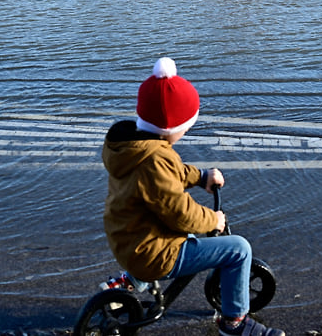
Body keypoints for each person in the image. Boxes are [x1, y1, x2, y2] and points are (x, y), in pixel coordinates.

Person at [102, 57, 284, 336]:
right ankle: (234, 324)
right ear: (171, 127)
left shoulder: (133, 148)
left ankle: (129, 282)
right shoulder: (155, 160)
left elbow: (170, 173)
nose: (186, 131)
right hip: (153, 252)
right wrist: (213, 220)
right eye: (185, 126)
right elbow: (179, 212)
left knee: (162, 226)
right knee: (238, 249)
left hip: (128, 238)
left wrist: (200, 177)